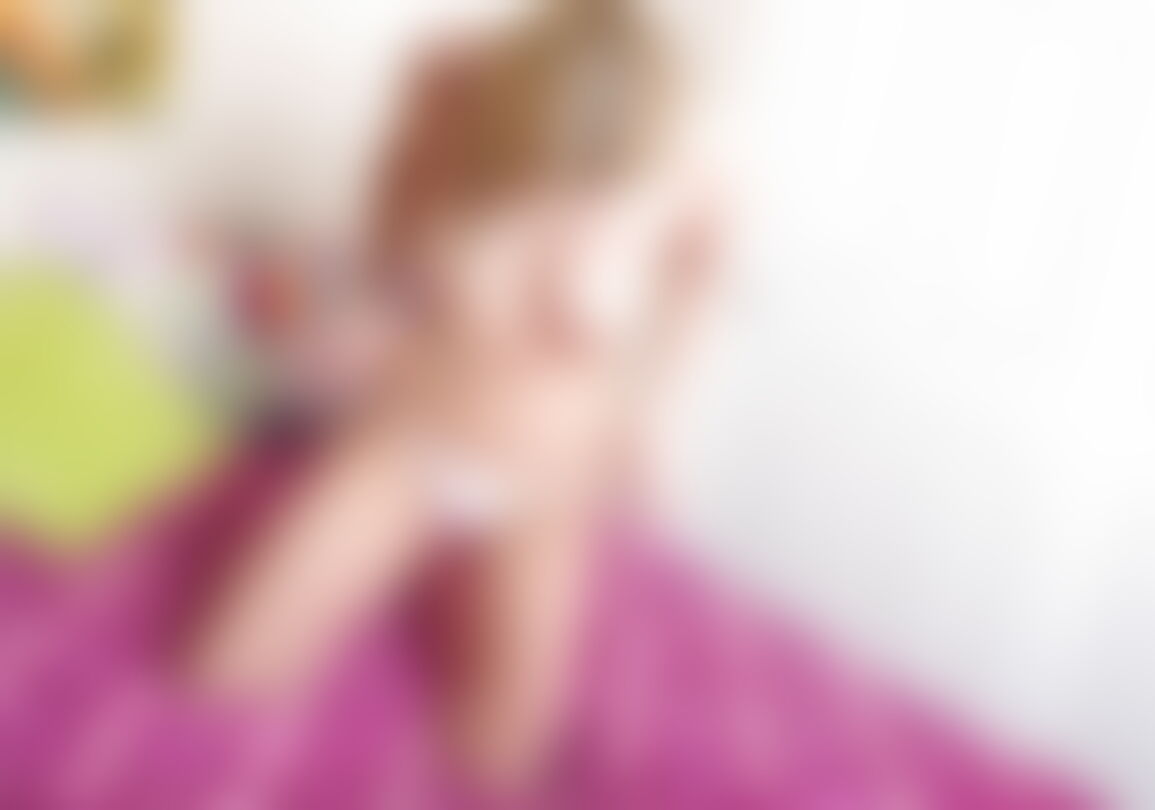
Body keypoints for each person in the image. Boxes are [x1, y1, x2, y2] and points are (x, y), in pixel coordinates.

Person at [0, 1, 1096, 806]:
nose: (566, 231)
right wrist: (379, 309)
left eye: (593, 202)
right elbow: (389, 248)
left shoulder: (695, 178)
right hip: (411, 442)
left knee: (502, 754)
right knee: (225, 661)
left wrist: (653, 418)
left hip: (542, 486)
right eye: (538, 197)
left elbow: (693, 300)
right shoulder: (456, 94)